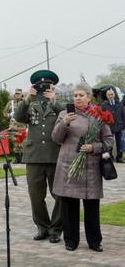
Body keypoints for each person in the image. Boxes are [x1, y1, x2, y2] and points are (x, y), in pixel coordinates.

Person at [52, 83, 114, 252]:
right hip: (69, 167)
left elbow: (109, 141)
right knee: (69, 206)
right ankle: (71, 241)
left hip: (91, 168)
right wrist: (64, 123)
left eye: (81, 95)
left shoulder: (98, 115)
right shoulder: (64, 114)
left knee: (92, 207)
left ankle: (94, 241)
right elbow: (56, 138)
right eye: (75, 95)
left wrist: (94, 148)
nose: (77, 98)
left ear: (89, 97)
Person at [14, 70, 64, 243]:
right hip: (34, 156)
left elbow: (68, 117)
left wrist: (54, 101)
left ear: (52, 86)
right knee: (35, 195)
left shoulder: (58, 104)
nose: (43, 88)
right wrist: (28, 98)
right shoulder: (30, 103)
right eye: (40, 85)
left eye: (46, 85)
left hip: (54, 154)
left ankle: (56, 229)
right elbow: (19, 117)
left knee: (59, 194)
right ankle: (42, 226)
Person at [99, 86, 124, 163]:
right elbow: (101, 116)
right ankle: (110, 157)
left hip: (119, 126)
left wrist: (124, 126)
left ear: (114, 95)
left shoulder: (120, 104)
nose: (110, 96)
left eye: (111, 94)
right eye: (109, 95)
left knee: (120, 143)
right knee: (109, 143)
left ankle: (119, 158)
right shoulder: (103, 105)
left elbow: (123, 115)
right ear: (106, 96)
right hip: (109, 127)